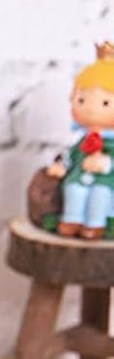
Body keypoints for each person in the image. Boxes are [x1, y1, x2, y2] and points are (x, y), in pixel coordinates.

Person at [48, 42, 114, 240]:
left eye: (105, 103)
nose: (91, 109)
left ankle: (95, 224)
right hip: (78, 177)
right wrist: (62, 166)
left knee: (99, 195)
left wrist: (106, 163)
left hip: (106, 182)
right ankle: (72, 220)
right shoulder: (80, 138)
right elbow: (70, 154)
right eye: (81, 100)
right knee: (74, 190)